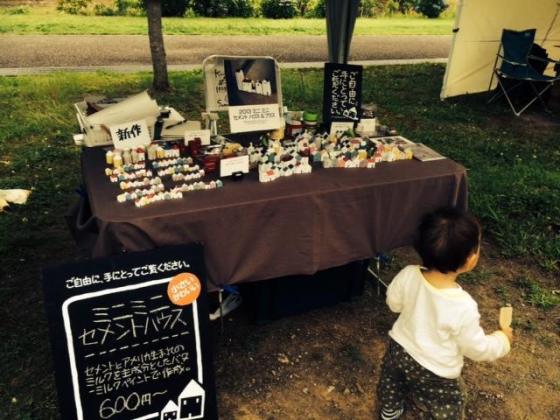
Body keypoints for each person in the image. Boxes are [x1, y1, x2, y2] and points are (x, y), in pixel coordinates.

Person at [377, 207, 513, 420]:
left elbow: (394, 304)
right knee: (448, 403)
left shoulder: (408, 274)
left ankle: (390, 409)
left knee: (392, 381)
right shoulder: (463, 306)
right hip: (437, 370)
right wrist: (502, 340)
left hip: (399, 349)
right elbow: (477, 349)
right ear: (470, 260)